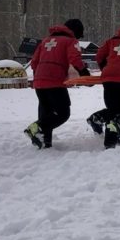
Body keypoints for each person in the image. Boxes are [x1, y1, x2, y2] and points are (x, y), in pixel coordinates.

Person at [24, 19, 90, 149]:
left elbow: (34, 62)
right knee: (62, 113)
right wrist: (85, 74)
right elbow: (75, 60)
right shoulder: (71, 41)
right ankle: (36, 128)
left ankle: (44, 142)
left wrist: (40, 75)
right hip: (55, 81)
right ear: (75, 31)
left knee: (46, 112)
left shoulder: (45, 41)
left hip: (39, 82)